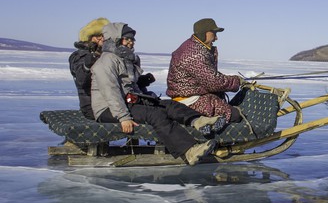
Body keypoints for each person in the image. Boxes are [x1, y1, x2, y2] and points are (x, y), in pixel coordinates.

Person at [91, 22, 224, 165]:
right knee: (156, 115)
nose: (130, 43)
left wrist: (148, 97)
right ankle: (189, 151)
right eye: (126, 39)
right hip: (107, 108)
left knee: (168, 104)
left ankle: (198, 121)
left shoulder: (126, 59)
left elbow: (131, 86)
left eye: (132, 39)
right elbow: (111, 91)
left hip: (127, 102)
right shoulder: (106, 61)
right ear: (115, 39)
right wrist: (123, 117)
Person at [166, 18, 243, 126]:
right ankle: (214, 136)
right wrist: (236, 82)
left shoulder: (195, 47)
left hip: (192, 94)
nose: (216, 38)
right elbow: (213, 82)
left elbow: (208, 75)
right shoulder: (195, 54)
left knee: (228, 108)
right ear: (204, 33)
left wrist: (232, 80)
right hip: (190, 100)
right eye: (214, 33)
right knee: (234, 115)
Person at [69, 17, 109, 120]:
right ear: (91, 37)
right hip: (92, 107)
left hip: (108, 103)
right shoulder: (80, 56)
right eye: (99, 35)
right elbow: (81, 81)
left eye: (105, 35)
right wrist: (87, 66)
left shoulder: (104, 55)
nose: (103, 38)